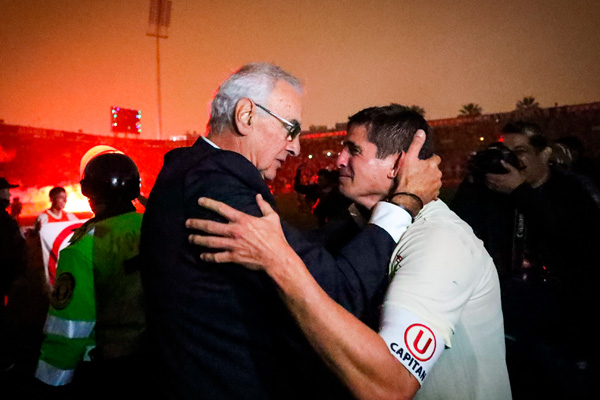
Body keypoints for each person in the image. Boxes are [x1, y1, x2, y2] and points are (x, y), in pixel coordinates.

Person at [140, 64, 441, 399]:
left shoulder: (194, 171)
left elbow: (289, 247)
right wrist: (403, 203)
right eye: (290, 129)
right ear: (246, 116)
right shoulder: (216, 184)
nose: (295, 146)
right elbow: (338, 293)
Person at [187, 105, 511, 400]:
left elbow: (389, 387)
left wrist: (283, 267)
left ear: (398, 164)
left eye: (353, 150)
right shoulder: (358, 224)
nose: (339, 160)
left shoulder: (440, 242)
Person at [451, 121, 599, 398]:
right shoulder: (494, 193)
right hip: (514, 314)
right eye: (505, 151)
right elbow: (460, 227)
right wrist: (474, 179)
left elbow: (575, 240)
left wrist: (521, 193)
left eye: (520, 151)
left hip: (567, 320)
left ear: (544, 154)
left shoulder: (572, 190)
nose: (512, 159)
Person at [33, 151, 147, 397]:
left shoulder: (83, 248)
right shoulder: (155, 227)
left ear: (90, 195)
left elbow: (69, 329)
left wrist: (48, 381)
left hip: (104, 368)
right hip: (156, 358)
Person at [0, 177, 26, 373]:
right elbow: (11, 248)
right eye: (6, 191)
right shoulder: (3, 220)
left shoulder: (5, 218)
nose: (9, 194)